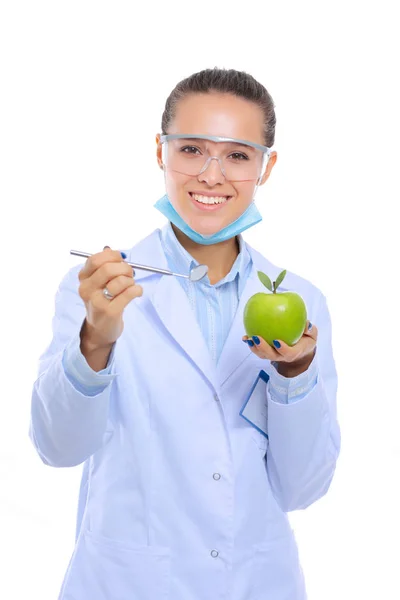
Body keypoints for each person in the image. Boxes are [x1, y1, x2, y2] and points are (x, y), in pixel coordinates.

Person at [29, 68, 341, 600]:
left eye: (239, 155)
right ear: (160, 151)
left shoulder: (301, 303)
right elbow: (57, 448)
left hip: (254, 582)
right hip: (127, 582)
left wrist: (294, 375)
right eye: (192, 149)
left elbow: (302, 488)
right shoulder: (101, 290)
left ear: (267, 166)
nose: (212, 176)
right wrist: (95, 343)